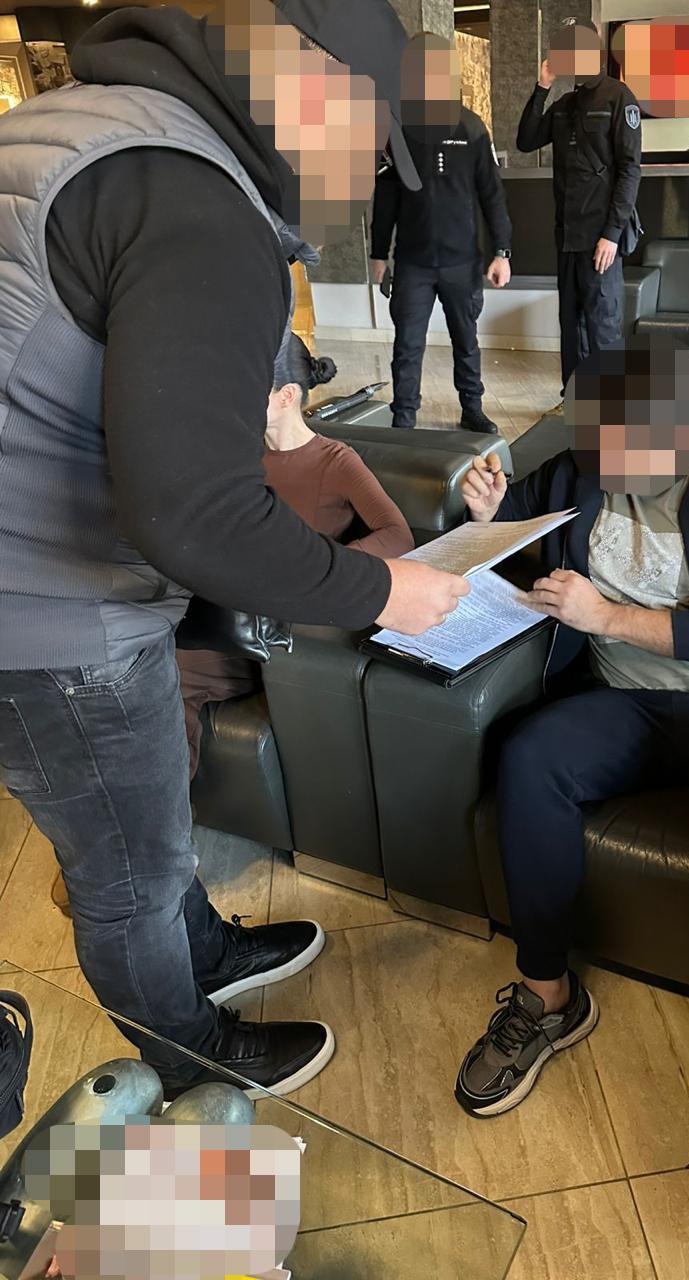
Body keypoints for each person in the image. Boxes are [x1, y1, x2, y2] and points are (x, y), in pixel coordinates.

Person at [0, 0, 469, 1100]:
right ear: (312, 88)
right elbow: (192, 511)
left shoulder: (77, 125)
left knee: (150, 832)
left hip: (35, 579)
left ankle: (204, 949)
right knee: (128, 870)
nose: (362, 182)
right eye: (369, 146)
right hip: (51, 614)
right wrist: (381, 591)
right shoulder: (201, 204)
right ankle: (187, 1051)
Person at [453, 336, 689, 1231]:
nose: (602, 462)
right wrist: (491, 512)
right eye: (595, 441)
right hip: (619, 700)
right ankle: (548, 997)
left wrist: (607, 614)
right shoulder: (580, 464)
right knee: (529, 759)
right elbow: (521, 538)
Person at [177, 333, 415, 780]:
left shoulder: (335, 461)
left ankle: (162, 815)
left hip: (265, 630)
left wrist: (320, 568)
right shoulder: (239, 452)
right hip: (217, 607)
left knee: (170, 678)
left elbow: (397, 535)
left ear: (287, 396)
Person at [370, 32, 513, 434]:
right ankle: (404, 417)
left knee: (466, 341)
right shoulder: (397, 129)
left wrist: (502, 251)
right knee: (407, 345)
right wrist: (378, 253)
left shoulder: (472, 127)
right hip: (413, 263)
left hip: (461, 262)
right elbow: (386, 197)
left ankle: (472, 408)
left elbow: (492, 194)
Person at [517, 18, 642, 395]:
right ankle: (573, 399)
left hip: (600, 238)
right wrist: (542, 86)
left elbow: (630, 170)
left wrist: (612, 235)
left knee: (602, 325)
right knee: (571, 326)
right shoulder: (563, 106)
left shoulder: (619, 97)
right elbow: (525, 140)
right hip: (567, 235)